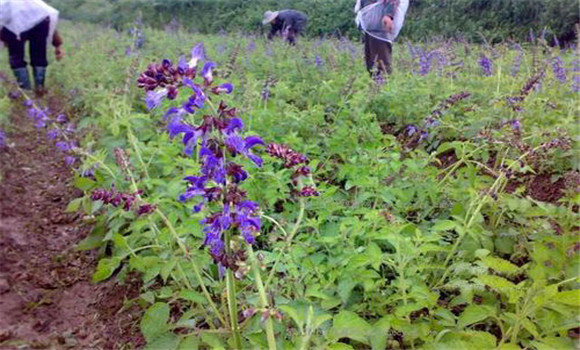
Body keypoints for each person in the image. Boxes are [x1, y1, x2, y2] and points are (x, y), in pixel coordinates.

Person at [0, 0, 64, 95]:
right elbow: (47, 17)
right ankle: (39, 88)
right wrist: (57, 45)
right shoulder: (36, 4)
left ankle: (26, 91)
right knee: (39, 55)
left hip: (25, 24)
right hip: (40, 21)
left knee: (17, 57)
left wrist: (58, 44)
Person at [355, 0, 408, 76]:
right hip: (371, 24)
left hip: (380, 26)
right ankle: (376, 86)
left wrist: (388, 15)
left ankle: (383, 86)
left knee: (381, 65)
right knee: (371, 64)